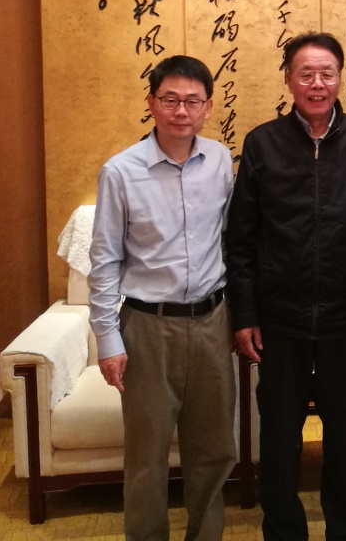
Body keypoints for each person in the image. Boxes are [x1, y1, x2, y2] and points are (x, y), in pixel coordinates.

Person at [225, 32, 346, 541]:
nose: (317, 84)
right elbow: (241, 239)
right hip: (280, 318)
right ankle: (283, 532)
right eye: (306, 74)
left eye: (327, 73)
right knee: (280, 438)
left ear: (341, 79)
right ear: (288, 80)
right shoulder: (262, 143)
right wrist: (244, 314)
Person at [88, 55, 237, 541]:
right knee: (147, 455)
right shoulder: (121, 171)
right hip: (148, 327)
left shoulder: (220, 161)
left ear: (208, 107)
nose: (181, 111)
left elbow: (231, 239)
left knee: (214, 449)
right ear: (152, 103)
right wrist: (108, 339)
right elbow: (105, 260)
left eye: (193, 101)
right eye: (170, 99)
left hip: (212, 322)